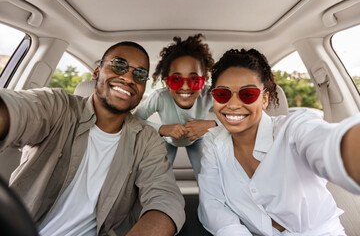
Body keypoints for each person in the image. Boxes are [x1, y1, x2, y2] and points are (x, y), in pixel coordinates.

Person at [0, 41, 185, 236]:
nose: (128, 77)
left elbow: (165, 199)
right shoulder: (58, 107)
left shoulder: (146, 140)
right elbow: (19, 110)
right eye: (119, 65)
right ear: (97, 72)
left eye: (139, 74)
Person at [198, 48, 360, 235]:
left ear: (264, 99)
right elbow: (213, 204)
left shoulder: (293, 128)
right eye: (223, 95)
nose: (233, 105)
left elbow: (328, 144)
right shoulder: (213, 142)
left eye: (248, 94)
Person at [133, 34, 218, 179]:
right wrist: (162, 129)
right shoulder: (160, 97)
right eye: (176, 80)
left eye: (194, 80)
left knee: (207, 177)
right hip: (167, 139)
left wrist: (211, 124)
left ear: (203, 81)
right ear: (166, 82)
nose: (185, 87)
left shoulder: (209, 95)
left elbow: (232, 117)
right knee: (159, 176)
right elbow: (134, 120)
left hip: (197, 139)